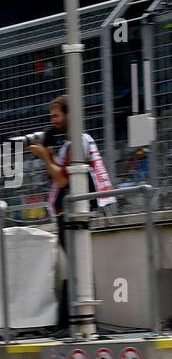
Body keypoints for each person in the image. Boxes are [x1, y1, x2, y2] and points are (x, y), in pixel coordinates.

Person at [27, 95, 117, 332]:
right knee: (75, 267)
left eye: (56, 116)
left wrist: (45, 156)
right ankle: (69, 321)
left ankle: (78, 321)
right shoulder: (69, 144)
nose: (53, 121)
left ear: (69, 115)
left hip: (75, 214)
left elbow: (62, 178)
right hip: (66, 213)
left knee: (78, 267)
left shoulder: (78, 142)